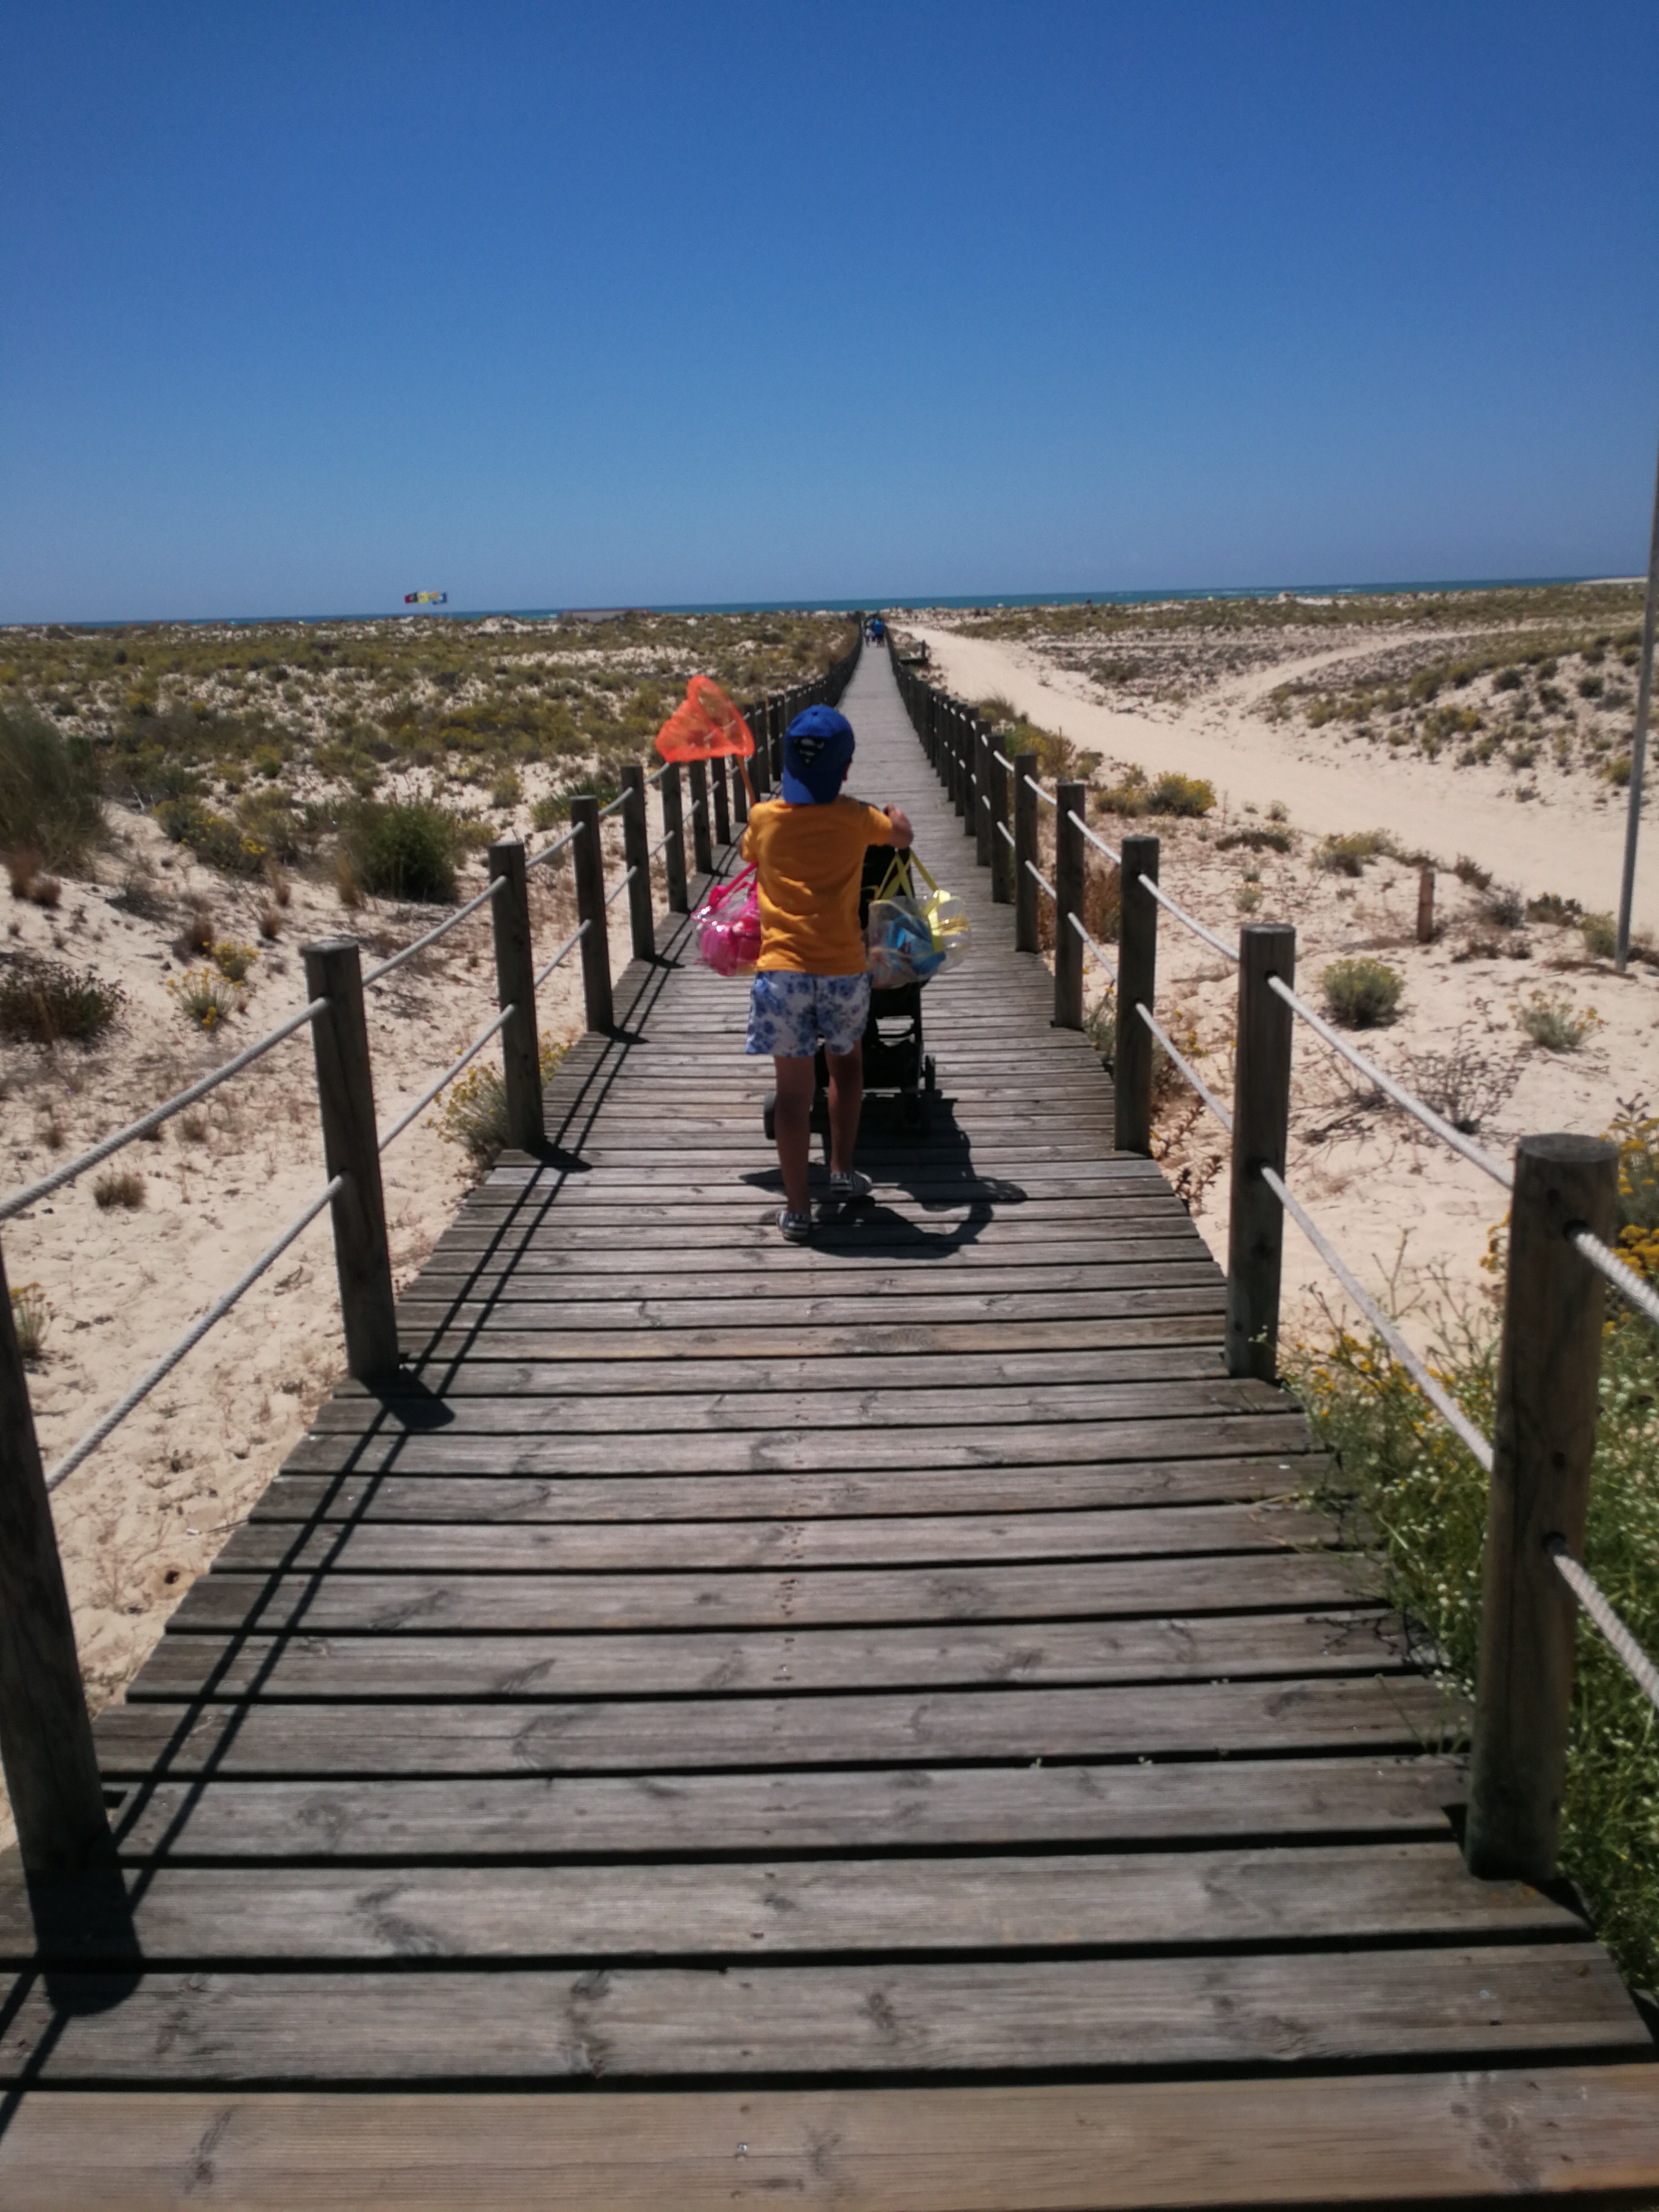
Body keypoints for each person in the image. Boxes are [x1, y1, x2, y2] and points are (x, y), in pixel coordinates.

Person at [741, 705, 913, 1242]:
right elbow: (902, 836)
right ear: (845, 769)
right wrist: (893, 811)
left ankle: (797, 1210)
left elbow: (749, 853)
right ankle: (841, 1169)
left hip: (783, 973)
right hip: (842, 969)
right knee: (847, 1069)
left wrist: (764, 817)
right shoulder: (857, 818)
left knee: (793, 1096)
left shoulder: (764, 818)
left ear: (788, 764)